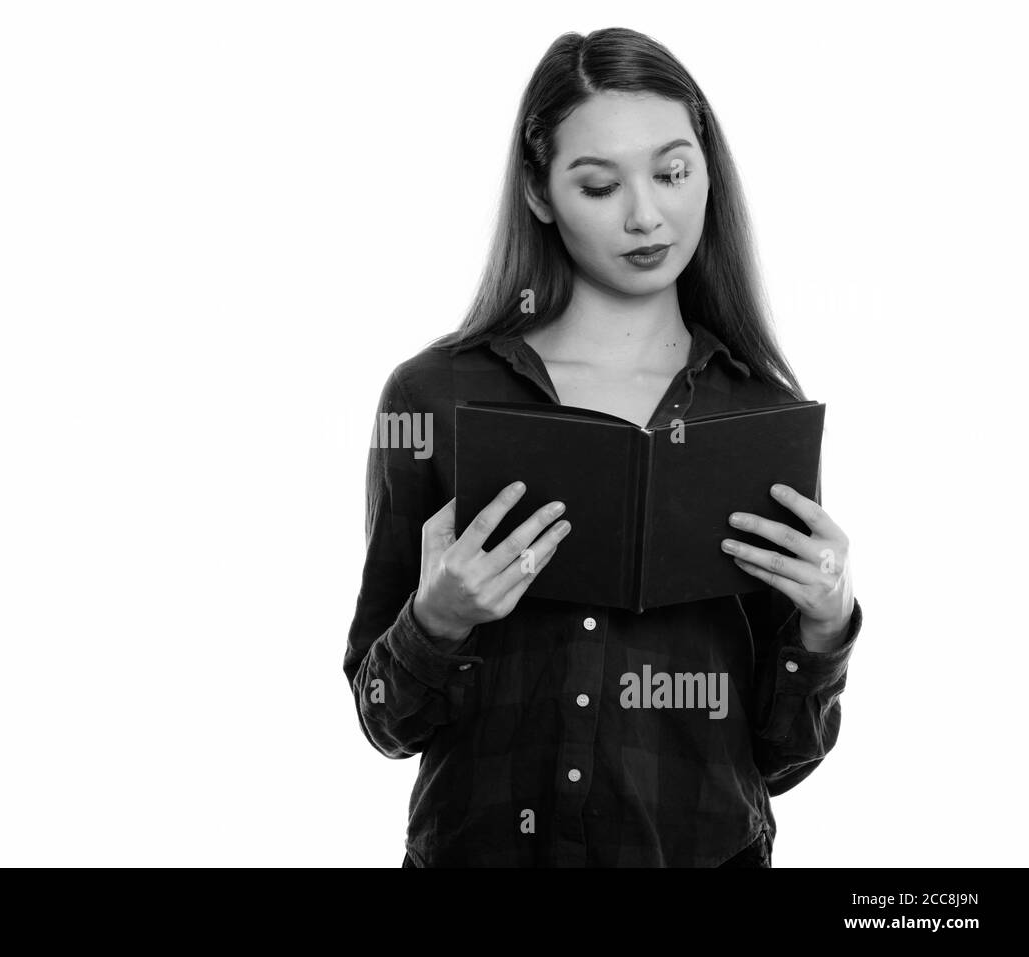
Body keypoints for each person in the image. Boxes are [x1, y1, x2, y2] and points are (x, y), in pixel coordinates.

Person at [343, 27, 863, 867]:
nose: (645, 215)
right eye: (598, 184)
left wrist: (825, 621)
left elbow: (780, 758)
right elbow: (382, 719)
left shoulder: (762, 413)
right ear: (541, 194)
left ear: (707, 173)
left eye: (670, 172)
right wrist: (436, 619)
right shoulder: (432, 398)